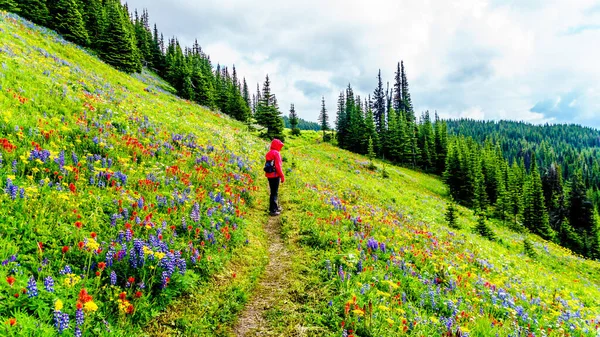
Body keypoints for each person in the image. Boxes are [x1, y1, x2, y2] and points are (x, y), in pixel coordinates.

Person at [265, 139, 285, 216]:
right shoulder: (277, 153)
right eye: (280, 146)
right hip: (275, 175)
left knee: (273, 191)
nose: (280, 147)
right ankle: (273, 210)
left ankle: (274, 207)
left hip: (269, 175)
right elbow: (278, 166)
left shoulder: (269, 153)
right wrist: (282, 176)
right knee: (274, 192)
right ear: (277, 145)